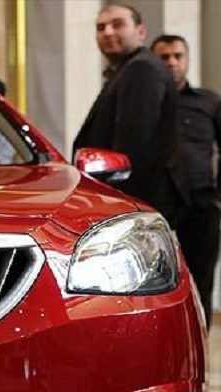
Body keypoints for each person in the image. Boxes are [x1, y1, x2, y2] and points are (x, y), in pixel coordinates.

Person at [72, 4, 189, 226]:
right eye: (101, 27)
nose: (107, 32)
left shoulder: (141, 68)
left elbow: (134, 147)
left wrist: (120, 209)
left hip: (137, 203)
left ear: (141, 32)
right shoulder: (129, 68)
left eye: (117, 25)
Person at [152, 34, 221, 328]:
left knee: (201, 281)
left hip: (201, 201)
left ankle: (200, 340)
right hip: (158, 204)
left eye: (178, 56)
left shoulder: (209, 101)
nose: (172, 63)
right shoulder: (145, 102)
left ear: (187, 59)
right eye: (164, 57)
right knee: (155, 283)